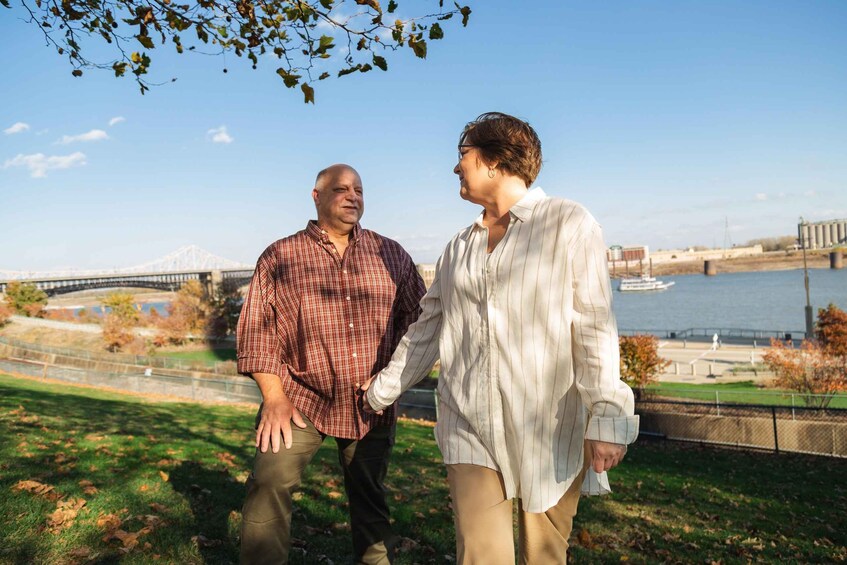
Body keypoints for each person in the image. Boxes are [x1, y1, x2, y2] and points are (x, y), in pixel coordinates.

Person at [361, 113, 639, 564]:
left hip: (549, 430)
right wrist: (379, 391)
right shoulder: (459, 247)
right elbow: (427, 329)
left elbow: (593, 325)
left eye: (463, 154)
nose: (456, 167)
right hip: (468, 423)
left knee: (543, 557)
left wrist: (608, 416)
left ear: (494, 160)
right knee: (481, 556)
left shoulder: (568, 223)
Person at [237, 164, 426, 564]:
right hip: (298, 401)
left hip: (370, 402)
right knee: (269, 486)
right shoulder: (280, 256)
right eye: (341, 189)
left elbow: (421, 324)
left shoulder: (390, 253)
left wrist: (391, 379)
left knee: (370, 501)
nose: (352, 196)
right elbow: (257, 331)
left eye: (358, 189)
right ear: (316, 196)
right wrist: (273, 397)